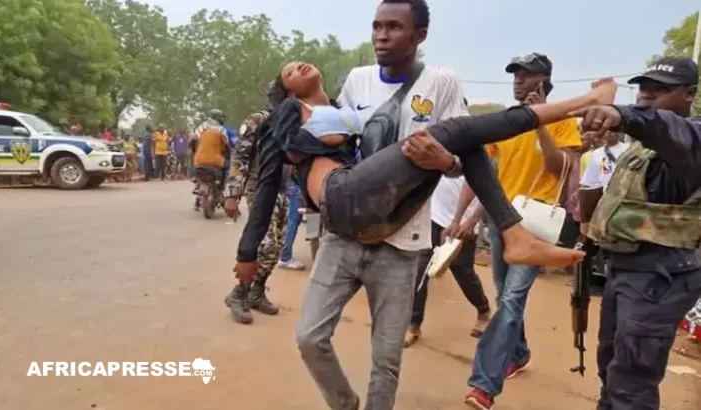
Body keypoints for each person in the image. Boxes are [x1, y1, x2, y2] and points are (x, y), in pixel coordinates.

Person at [231, 5, 615, 410]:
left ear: (421, 35)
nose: (381, 34)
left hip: (401, 236)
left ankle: (514, 230)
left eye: (393, 26)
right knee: (310, 337)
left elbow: (463, 157)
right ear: (286, 89)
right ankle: (574, 119)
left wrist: (446, 163)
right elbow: (274, 172)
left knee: (387, 359)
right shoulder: (316, 102)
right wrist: (248, 249)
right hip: (344, 219)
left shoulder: (431, 84)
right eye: (377, 26)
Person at [460, 52, 585, 410]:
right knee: (504, 297)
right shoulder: (506, 120)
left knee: (512, 300)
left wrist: (540, 122)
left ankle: (484, 385)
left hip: (536, 228)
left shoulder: (563, 120)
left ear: (544, 79)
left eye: (525, 74)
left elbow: (559, 165)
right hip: (502, 221)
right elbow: (489, 176)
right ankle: (520, 352)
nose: (517, 80)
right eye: (514, 74)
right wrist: (468, 218)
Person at [577, 57, 701, 410]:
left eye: (661, 89)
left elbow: (666, 129)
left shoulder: (691, 139)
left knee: (632, 381)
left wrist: (623, 114)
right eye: (644, 86)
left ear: (689, 94)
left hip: (662, 275)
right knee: (611, 365)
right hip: (626, 271)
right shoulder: (641, 147)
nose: (648, 94)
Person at [405, 129, 493, 346]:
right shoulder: (435, 150)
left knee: (462, 271)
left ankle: (483, 310)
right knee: (419, 270)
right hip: (433, 219)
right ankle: (413, 325)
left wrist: (468, 222)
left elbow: (489, 194)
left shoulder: (478, 157)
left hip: (462, 225)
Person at [223, 109, 291, 324]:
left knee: (278, 245)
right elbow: (240, 158)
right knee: (267, 244)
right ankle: (238, 293)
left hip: (284, 189)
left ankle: (257, 292)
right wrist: (233, 194)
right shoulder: (259, 119)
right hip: (259, 187)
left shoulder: (298, 117)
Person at [194, 109, 232, 209]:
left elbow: (194, 139)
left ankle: (197, 193)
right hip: (215, 160)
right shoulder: (221, 129)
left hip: (199, 159)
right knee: (227, 168)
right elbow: (227, 145)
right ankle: (221, 188)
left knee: (197, 170)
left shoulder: (202, 127)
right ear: (217, 117)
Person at [277, 178, 307, 270]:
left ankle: (282, 253)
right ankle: (285, 257)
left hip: (289, 183)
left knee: (289, 219)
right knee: (293, 220)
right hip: (296, 183)